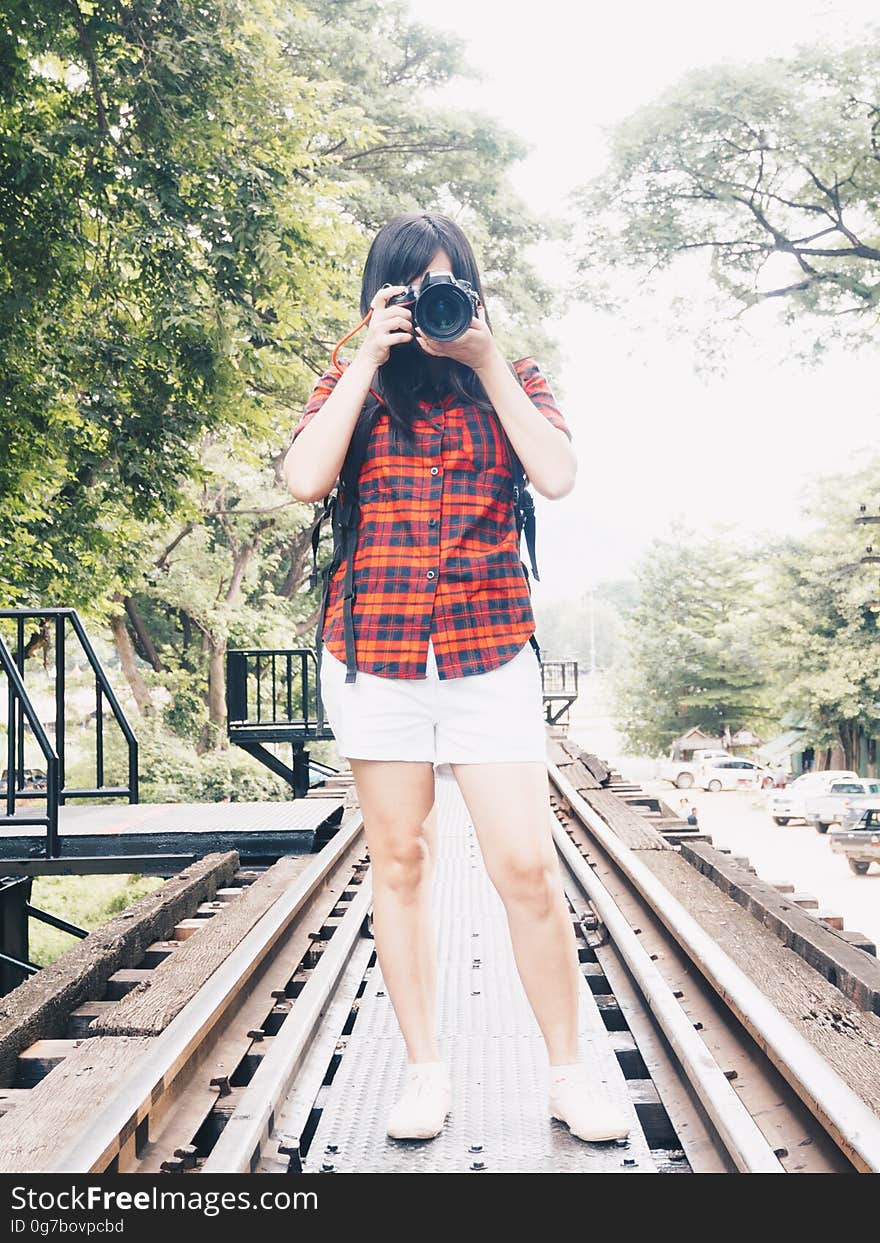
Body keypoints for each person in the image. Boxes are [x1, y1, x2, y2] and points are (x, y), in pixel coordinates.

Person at [284, 211, 629, 1146]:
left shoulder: (513, 379)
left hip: (488, 650)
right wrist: (364, 357)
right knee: (398, 861)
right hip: (375, 654)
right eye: (411, 289)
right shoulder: (352, 383)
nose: (433, 305)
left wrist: (484, 356)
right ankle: (425, 1071)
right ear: (379, 298)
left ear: (472, 290)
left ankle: (567, 1075)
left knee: (524, 862)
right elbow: (305, 477)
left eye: (448, 286)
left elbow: (555, 475)